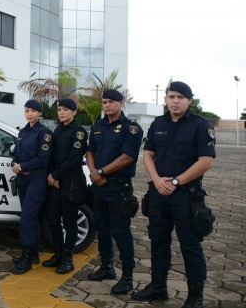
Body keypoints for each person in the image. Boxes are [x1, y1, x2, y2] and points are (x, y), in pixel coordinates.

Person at [132, 81, 215, 308]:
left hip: (185, 196)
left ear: (189, 100)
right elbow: (148, 155)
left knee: (189, 245)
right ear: (166, 99)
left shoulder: (200, 125)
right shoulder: (158, 123)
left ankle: (195, 297)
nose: (175, 101)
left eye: (180, 97)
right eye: (171, 96)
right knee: (158, 242)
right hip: (158, 192)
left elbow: (206, 160)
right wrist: (158, 180)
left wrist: (177, 181)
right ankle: (158, 288)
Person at [86, 89, 143, 295]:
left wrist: (101, 172)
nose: (107, 105)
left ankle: (127, 277)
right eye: (104, 102)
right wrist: (93, 172)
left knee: (121, 233)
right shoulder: (98, 126)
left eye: (111, 101)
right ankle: (107, 267)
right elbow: (90, 150)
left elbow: (128, 157)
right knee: (101, 229)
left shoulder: (132, 128)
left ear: (121, 103)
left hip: (118, 187)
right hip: (99, 186)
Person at [42, 98, 87, 274]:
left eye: (65, 109)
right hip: (55, 183)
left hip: (71, 183)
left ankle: (68, 258)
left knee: (69, 221)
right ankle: (59, 253)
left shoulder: (79, 132)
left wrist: (55, 175)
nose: (61, 112)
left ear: (74, 112)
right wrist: (51, 176)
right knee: (53, 219)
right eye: (59, 109)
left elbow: (74, 159)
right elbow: (52, 156)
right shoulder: (58, 129)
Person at [10, 99, 53, 275]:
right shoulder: (22, 132)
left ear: (40, 113)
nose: (30, 114)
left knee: (27, 218)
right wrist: (15, 164)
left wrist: (23, 167)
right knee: (31, 218)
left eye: (33, 111)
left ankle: (26, 257)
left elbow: (43, 159)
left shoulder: (45, 133)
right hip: (23, 180)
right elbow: (17, 154)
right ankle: (33, 254)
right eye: (27, 110)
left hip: (36, 179)